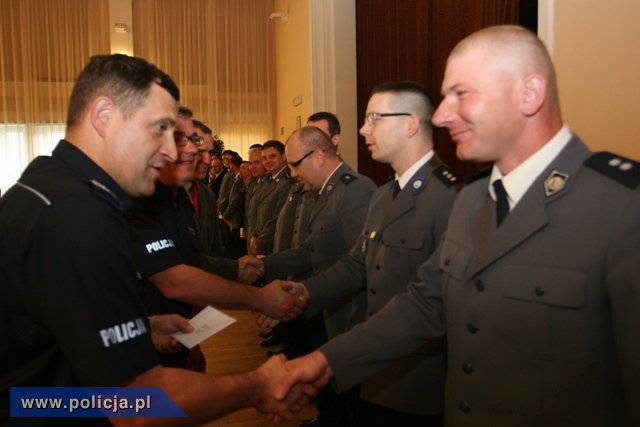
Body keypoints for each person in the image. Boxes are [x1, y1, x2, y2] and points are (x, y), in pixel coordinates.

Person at [275, 25, 640, 426]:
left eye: (462, 94)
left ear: (529, 93)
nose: (442, 116)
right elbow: (424, 303)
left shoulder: (622, 206)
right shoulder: (473, 199)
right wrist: (324, 360)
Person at [0, 54, 310, 426]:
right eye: (159, 128)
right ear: (104, 116)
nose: (171, 150)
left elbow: (45, 325)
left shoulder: (47, 186)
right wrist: (256, 386)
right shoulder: (79, 215)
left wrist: (141, 327)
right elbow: (133, 407)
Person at [263, 81, 462, 426]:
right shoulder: (384, 195)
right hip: (373, 369)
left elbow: (439, 304)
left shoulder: (451, 198)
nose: (362, 129)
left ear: (410, 124)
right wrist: (304, 292)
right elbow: (358, 264)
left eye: (374, 119)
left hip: (416, 379)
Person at [125, 108, 307, 368]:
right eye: (186, 143)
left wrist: (235, 268)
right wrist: (260, 299)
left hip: (172, 331)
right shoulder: (140, 197)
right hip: (136, 345)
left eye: (206, 151)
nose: (203, 158)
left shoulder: (181, 199)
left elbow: (194, 260)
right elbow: (174, 280)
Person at [241, 126, 377, 426]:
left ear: (318, 156)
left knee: (353, 401)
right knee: (337, 394)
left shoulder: (356, 191)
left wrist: (302, 294)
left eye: (294, 164)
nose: (291, 173)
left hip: (351, 315)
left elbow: (360, 265)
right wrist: (265, 264)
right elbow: (311, 249)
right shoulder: (326, 192)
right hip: (330, 308)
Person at [190, 119, 225, 257]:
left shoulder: (206, 194)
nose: (207, 160)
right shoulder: (157, 194)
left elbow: (216, 247)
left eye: (209, 153)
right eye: (199, 152)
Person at [251, 140, 292, 256]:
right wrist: (254, 235)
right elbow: (260, 212)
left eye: (272, 156)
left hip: (273, 246)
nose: (267, 161)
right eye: (264, 158)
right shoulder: (268, 180)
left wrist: (259, 243)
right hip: (262, 243)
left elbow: (277, 219)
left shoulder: (286, 182)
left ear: (283, 157)